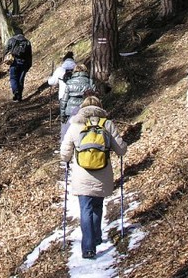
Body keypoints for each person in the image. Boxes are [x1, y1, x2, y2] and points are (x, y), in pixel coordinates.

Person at [59, 96, 127, 260]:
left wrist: (68, 159)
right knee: (97, 206)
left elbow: (64, 153)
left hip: (82, 176)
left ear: (82, 109)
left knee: (86, 209)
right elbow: (121, 150)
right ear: (100, 108)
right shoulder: (107, 124)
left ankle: (88, 247)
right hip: (102, 174)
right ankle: (96, 238)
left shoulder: (75, 125)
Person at [60, 64, 94, 139]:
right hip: (85, 110)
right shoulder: (90, 82)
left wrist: (62, 116)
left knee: (67, 134)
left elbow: (64, 100)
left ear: (74, 71)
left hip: (70, 112)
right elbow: (94, 98)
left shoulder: (69, 83)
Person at [4, 28, 33, 101]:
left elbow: (6, 50)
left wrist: (4, 58)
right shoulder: (27, 42)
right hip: (24, 62)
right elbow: (29, 55)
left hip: (14, 62)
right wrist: (29, 64)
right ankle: (19, 96)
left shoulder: (11, 40)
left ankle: (16, 91)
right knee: (21, 79)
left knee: (13, 78)